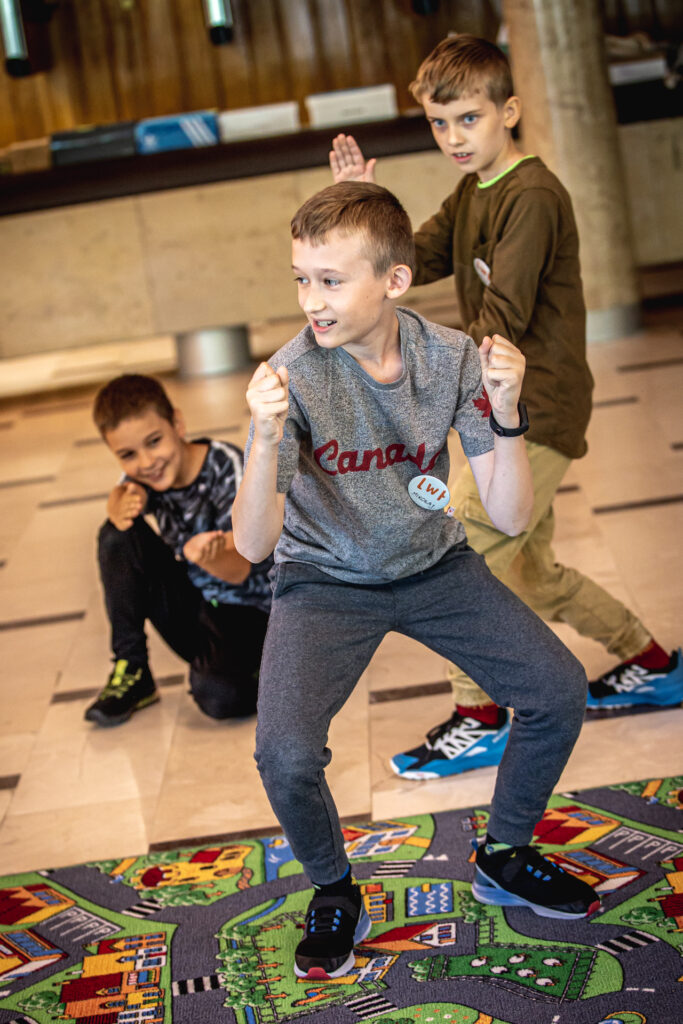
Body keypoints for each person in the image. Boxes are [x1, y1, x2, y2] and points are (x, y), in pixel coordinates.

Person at [232, 181, 600, 981]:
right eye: (301, 278)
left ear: (393, 282)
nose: (311, 300)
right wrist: (262, 440)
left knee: (557, 689)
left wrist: (504, 411)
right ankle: (334, 889)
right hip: (322, 581)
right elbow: (254, 546)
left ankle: (503, 852)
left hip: (436, 566)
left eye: (331, 280)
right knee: (284, 754)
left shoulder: (451, 359)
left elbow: (505, 516)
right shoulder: (293, 377)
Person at [329, 34, 682, 782]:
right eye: (438, 123)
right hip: (503, 398)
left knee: (457, 550)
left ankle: (479, 716)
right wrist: (363, 209)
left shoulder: (532, 195)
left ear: (508, 111)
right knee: (530, 569)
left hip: (535, 403)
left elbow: (502, 314)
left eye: (467, 119)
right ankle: (651, 663)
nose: (453, 137)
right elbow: (410, 259)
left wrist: (416, 383)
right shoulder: (473, 193)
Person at [85, 373, 272, 727]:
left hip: (251, 612)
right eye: (127, 454)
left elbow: (244, 567)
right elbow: (121, 500)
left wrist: (209, 556)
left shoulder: (227, 468)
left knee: (218, 698)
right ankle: (133, 668)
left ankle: (270, 675)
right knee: (116, 535)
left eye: (154, 442)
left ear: (178, 423)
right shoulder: (144, 478)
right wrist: (117, 505)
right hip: (199, 607)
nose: (146, 462)